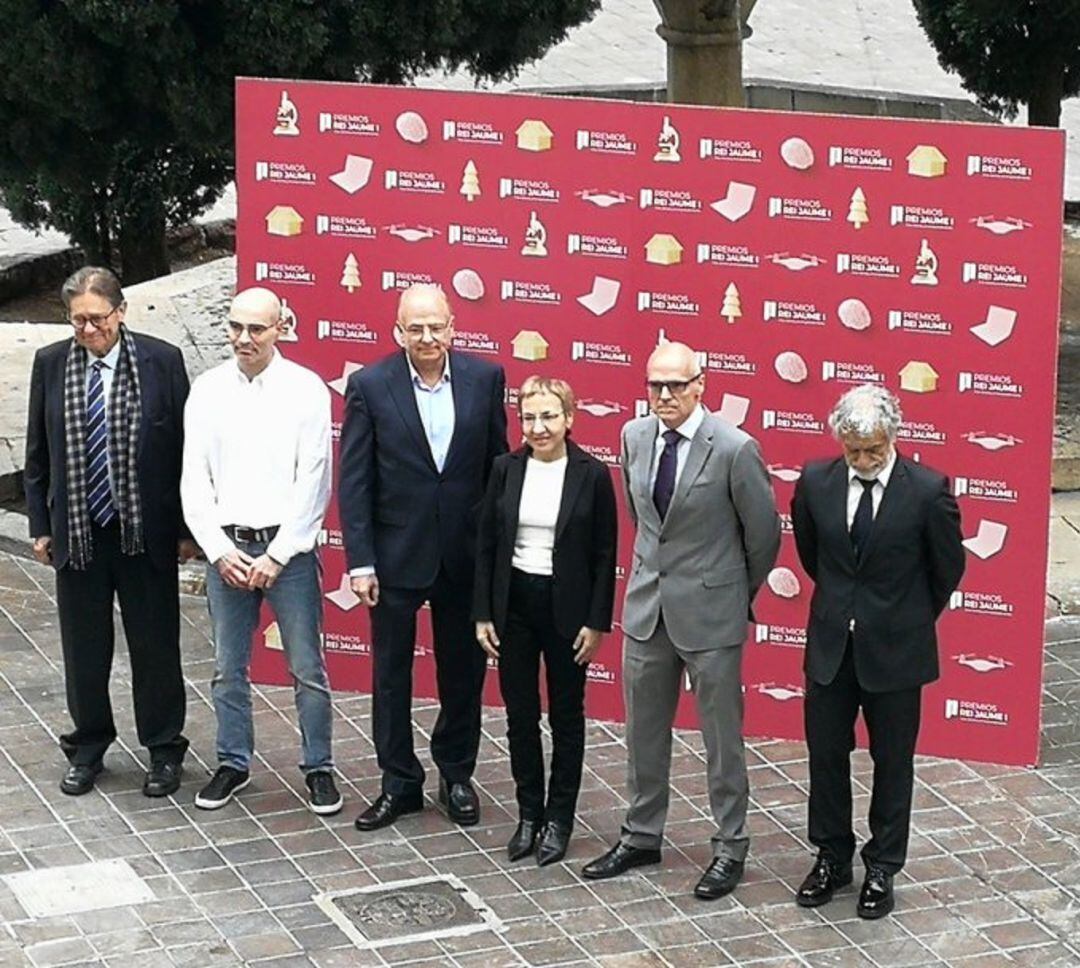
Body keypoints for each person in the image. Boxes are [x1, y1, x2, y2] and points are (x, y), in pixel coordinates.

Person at [583, 341, 780, 899]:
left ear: (701, 385)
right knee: (643, 732)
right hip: (648, 609)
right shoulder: (633, 436)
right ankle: (642, 835)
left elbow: (763, 537)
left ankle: (730, 846)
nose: (664, 396)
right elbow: (644, 520)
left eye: (675, 385)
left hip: (712, 614)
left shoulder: (736, 449)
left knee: (722, 739)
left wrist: (732, 591)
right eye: (654, 386)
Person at [790, 384, 964, 919]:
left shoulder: (928, 491)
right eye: (853, 451)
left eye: (874, 450)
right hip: (830, 647)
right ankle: (831, 856)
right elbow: (811, 554)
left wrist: (901, 619)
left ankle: (883, 864)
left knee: (893, 762)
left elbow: (946, 570)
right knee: (824, 755)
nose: (863, 461)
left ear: (894, 437)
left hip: (897, 651)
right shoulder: (815, 483)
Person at [339, 284, 508, 830]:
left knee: (463, 672)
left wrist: (494, 556)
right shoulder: (369, 385)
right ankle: (399, 783)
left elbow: (496, 471)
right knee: (390, 675)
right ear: (398, 331)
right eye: (416, 328)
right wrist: (360, 561)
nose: (428, 337)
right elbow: (356, 479)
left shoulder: (486, 380)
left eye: (436, 326)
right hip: (394, 556)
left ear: (453, 326)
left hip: (463, 556)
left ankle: (456, 775)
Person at [24, 266, 192, 798]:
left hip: (145, 532)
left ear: (121, 311)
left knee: (156, 646)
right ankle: (89, 746)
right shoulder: (51, 364)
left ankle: (164, 749)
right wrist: (40, 525)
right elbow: (37, 454)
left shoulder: (162, 361)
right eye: (78, 322)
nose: (89, 330)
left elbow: (185, 450)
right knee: (84, 648)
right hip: (80, 531)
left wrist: (187, 531)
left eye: (98, 319)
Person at [181, 286, 340, 815]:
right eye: (235, 327)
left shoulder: (307, 390)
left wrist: (279, 554)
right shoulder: (205, 390)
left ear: (281, 327)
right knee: (228, 667)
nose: (243, 338)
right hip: (225, 547)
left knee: (306, 668)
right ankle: (232, 762)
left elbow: (314, 481)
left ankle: (319, 767)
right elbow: (193, 481)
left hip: (287, 552)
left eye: (256, 328)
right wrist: (219, 549)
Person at [473, 376, 617, 866]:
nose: (538, 427)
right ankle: (528, 814)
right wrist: (483, 613)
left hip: (568, 610)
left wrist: (597, 622)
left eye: (549, 416)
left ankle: (559, 819)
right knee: (519, 716)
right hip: (514, 604)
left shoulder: (592, 474)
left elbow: (604, 555)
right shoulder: (504, 469)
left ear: (569, 419)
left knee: (566, 716)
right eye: (529, 417)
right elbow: (488, 546)